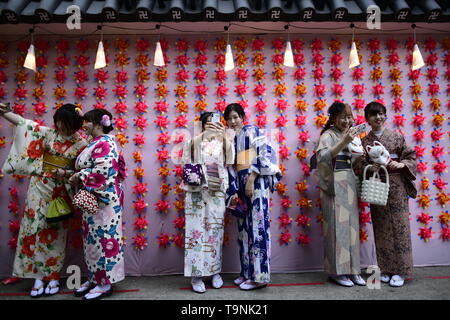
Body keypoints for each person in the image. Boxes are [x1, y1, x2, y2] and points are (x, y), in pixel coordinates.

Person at [0, 102, 87, 297]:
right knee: (33, 229)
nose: (61, 128)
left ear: (76, 124)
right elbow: (24, 124)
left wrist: (65, 172)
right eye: (59, 123)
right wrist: (7, 113)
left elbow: (83, 170)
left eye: (66, 124)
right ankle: (37, 276)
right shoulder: (48, 133)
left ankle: (53, 276)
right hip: (38, 187)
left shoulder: (82, 143)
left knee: (56, 233)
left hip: (62, 190)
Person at [353, 101, 417, 287]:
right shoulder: (364, 141)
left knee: (400, 227)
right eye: (374, 114)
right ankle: (387, 268)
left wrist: (402, 164)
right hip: (377, 183)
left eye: (381, 113)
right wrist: (368, 166)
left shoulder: (396, 137)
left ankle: (402, 271)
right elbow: (358, 165)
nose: (378, 117)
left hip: (396, 184)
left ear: (385, 115)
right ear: (367, 119)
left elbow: (410, 156)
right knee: (381, 228)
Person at [69, 109, 126, 300]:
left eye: (87, 122)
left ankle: (105, 283)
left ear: (98, 123)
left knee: (104, 240)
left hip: (104, 200)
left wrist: (80, 175)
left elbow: (105, 171)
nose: (84, 125)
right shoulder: (96, 143)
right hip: (94, 198)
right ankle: (95, 278)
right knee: (92, 241)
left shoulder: (107, 142)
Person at [224, 103, 281, 290]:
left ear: (242, 117)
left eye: (236, 117)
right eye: (229, 118)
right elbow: (231, 167)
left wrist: (251, 179)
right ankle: (247, 272)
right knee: (243, 230)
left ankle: (260, 276)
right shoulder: (232, 139)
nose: (233, 122)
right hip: (241, 183)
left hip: (256, 181)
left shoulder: (251, 130)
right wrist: (233, 190)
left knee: (258, 227)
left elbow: (265, 154)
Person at [314, 101, 366, 287]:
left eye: (349, 117)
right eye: (343, 117)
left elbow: (356, 161)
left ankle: (354, 270)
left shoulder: (352, 135)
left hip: (349, 182)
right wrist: (344, 142)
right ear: (334, 118)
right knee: (337, 228)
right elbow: (322, 158)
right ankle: (337, 272)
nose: (347, 120)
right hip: (333, 184)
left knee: (351, 227)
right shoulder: (328, 135)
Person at [182, 111, 234, 293]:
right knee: (195, 232)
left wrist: (224, 136)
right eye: (209, 123)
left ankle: (214, 272)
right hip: (196, 191)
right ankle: (196, 276)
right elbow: (185, 156)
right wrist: (204, 135)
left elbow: (231, 159)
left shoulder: (223, 142)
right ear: (202, 125)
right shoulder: (194, 141)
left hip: (217, 190)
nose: (213, 126)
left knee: (215, 231)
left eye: (217, 123)